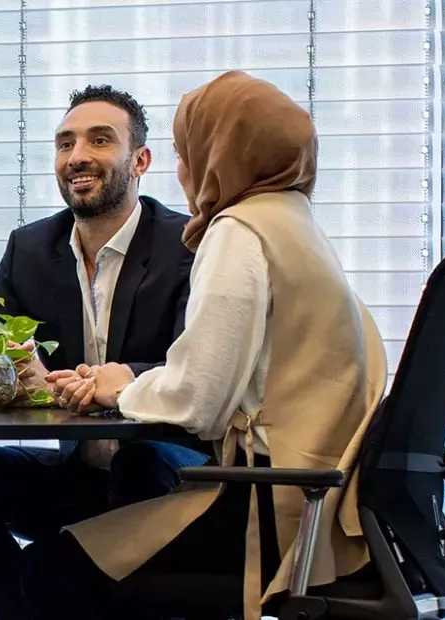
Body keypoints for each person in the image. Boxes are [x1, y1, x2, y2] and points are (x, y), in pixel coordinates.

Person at [30, 70, 388, 620]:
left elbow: (197, 398)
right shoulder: (296, 224)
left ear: (224, 152)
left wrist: (120, 386)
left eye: (187, 152)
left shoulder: (238, 230)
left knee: (51, 571)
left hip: (268, 510)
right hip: (329, 509)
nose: (183, 171)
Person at [0, 85, 211, 620]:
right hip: (78, 472)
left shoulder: (188, 245)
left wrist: (119, 381)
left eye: (100, 140)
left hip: (170, 472)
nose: (77, 156)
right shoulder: (32, 247)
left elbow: (203, 369)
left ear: (141, 160)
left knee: (140, 461)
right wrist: (11, 376)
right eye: (65, 143)